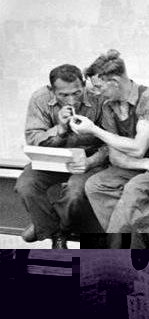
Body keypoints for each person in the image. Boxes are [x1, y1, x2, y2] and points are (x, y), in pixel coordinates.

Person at [70, 50, 149, 248]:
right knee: (95, 185)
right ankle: (131, 243)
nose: (95, 92)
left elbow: (138, 148)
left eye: (98, 86)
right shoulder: (108, 106)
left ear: (114, 81)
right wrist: (147, 163)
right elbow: (114, 156)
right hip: (144, 163)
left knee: (135, 188)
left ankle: (119, 250)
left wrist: (94, 130)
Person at [16, 64, 107, 247]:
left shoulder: (100, 97)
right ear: (52, 90)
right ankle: (56, 233)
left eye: (77, 93)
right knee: (25, 185)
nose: (72, 101)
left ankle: (47, 224)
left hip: (88, 160)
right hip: (52, 159)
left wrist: (90, 162)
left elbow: (110, 142)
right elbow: (33, 140)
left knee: (75, 193)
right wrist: (61, 129)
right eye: (64, 95)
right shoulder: (40, 99)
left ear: (84, 85)